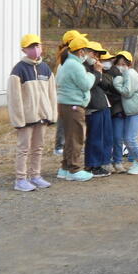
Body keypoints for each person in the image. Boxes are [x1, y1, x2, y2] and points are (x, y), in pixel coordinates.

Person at [8, 34, 58, 192]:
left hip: (42, 116)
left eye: (37, 45)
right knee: (23, 149)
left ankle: (35, 176)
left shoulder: (46, 69)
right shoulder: (18, 70)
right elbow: (14, 98)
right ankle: (20, 179)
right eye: (31, 47)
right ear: (24, 49)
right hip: (26, 118)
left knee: (38, 147)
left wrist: (52, 114)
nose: (35, 49)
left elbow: (52, 93)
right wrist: (18, 120)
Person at [55, 34, 95, 182]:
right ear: (81, 51)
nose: (87, 54)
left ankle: (65, 168)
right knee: (76, 138)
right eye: (86, 51)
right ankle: (74, 169)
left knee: (70, 137)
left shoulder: (66, 63)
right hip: (73, 105)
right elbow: (86, 84)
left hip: (66, 105)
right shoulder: (75, 65)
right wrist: (92, 75)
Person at [112, 51, 138, 175]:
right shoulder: (126, 74)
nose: (121, 66)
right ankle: (137, 161)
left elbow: (127, 92)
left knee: (130, 138)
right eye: (118, 64)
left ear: (129, 64)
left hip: (137, 110)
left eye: (123, 64)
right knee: (127, 138)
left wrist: (117, 83)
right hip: (132, 110)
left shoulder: (130, 73)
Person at [53, 30, 87, 155]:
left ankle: (68, 146)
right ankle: (60, 146)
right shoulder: (67, 59)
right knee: (64, 122)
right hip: (68, 98)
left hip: (69, 98)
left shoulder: (69, 58)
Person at [83, 41, 113, 178]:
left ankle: (101, 163)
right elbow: (89, 84)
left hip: (103, 105)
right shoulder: (83, 67)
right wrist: (96, 73)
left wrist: (100, 72)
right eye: (94, 53)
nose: (96, 57)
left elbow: (107, 85)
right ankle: (93, 165)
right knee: (95, 137)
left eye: (98, 54)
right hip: (93, 106)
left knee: (105, 136)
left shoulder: (96, 67)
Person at [100, 51, 127, 173]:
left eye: (109, 60)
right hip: (103, 108)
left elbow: (121, 91)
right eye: (104, 60)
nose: (107, 62)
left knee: (117, 137)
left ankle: (118, 161)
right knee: (106, 137)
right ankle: (106, 161)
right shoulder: (96, 73)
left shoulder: (116, 73)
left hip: (117, 109)